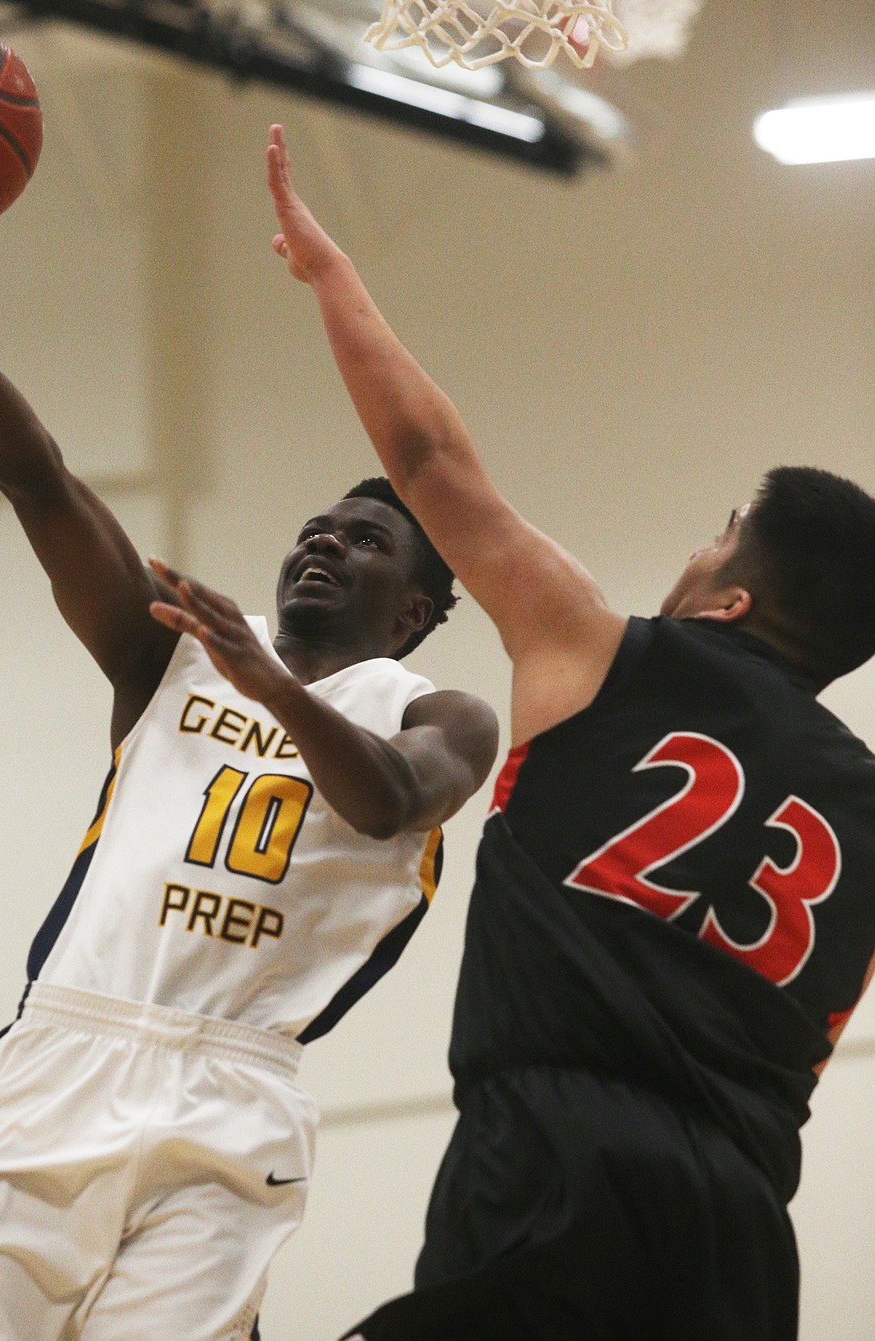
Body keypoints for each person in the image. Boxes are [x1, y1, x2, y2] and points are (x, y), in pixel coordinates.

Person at [0, 78, 498, 1341]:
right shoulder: (168, 655)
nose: (325, 547)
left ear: (416, 609)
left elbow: (395, 801)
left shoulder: (440, 709)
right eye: (314, 530)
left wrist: (268, 683)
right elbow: (32, 475)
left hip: (237, 1094)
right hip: (66, 1058)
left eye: (366, 542)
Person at [266, 123, 875, 1341]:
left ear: (734, 596)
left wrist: (332, 277)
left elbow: (429, 456)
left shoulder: (602, 653)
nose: (693, 553)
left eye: (715, 538)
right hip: (747, 1229)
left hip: (558, 1162)